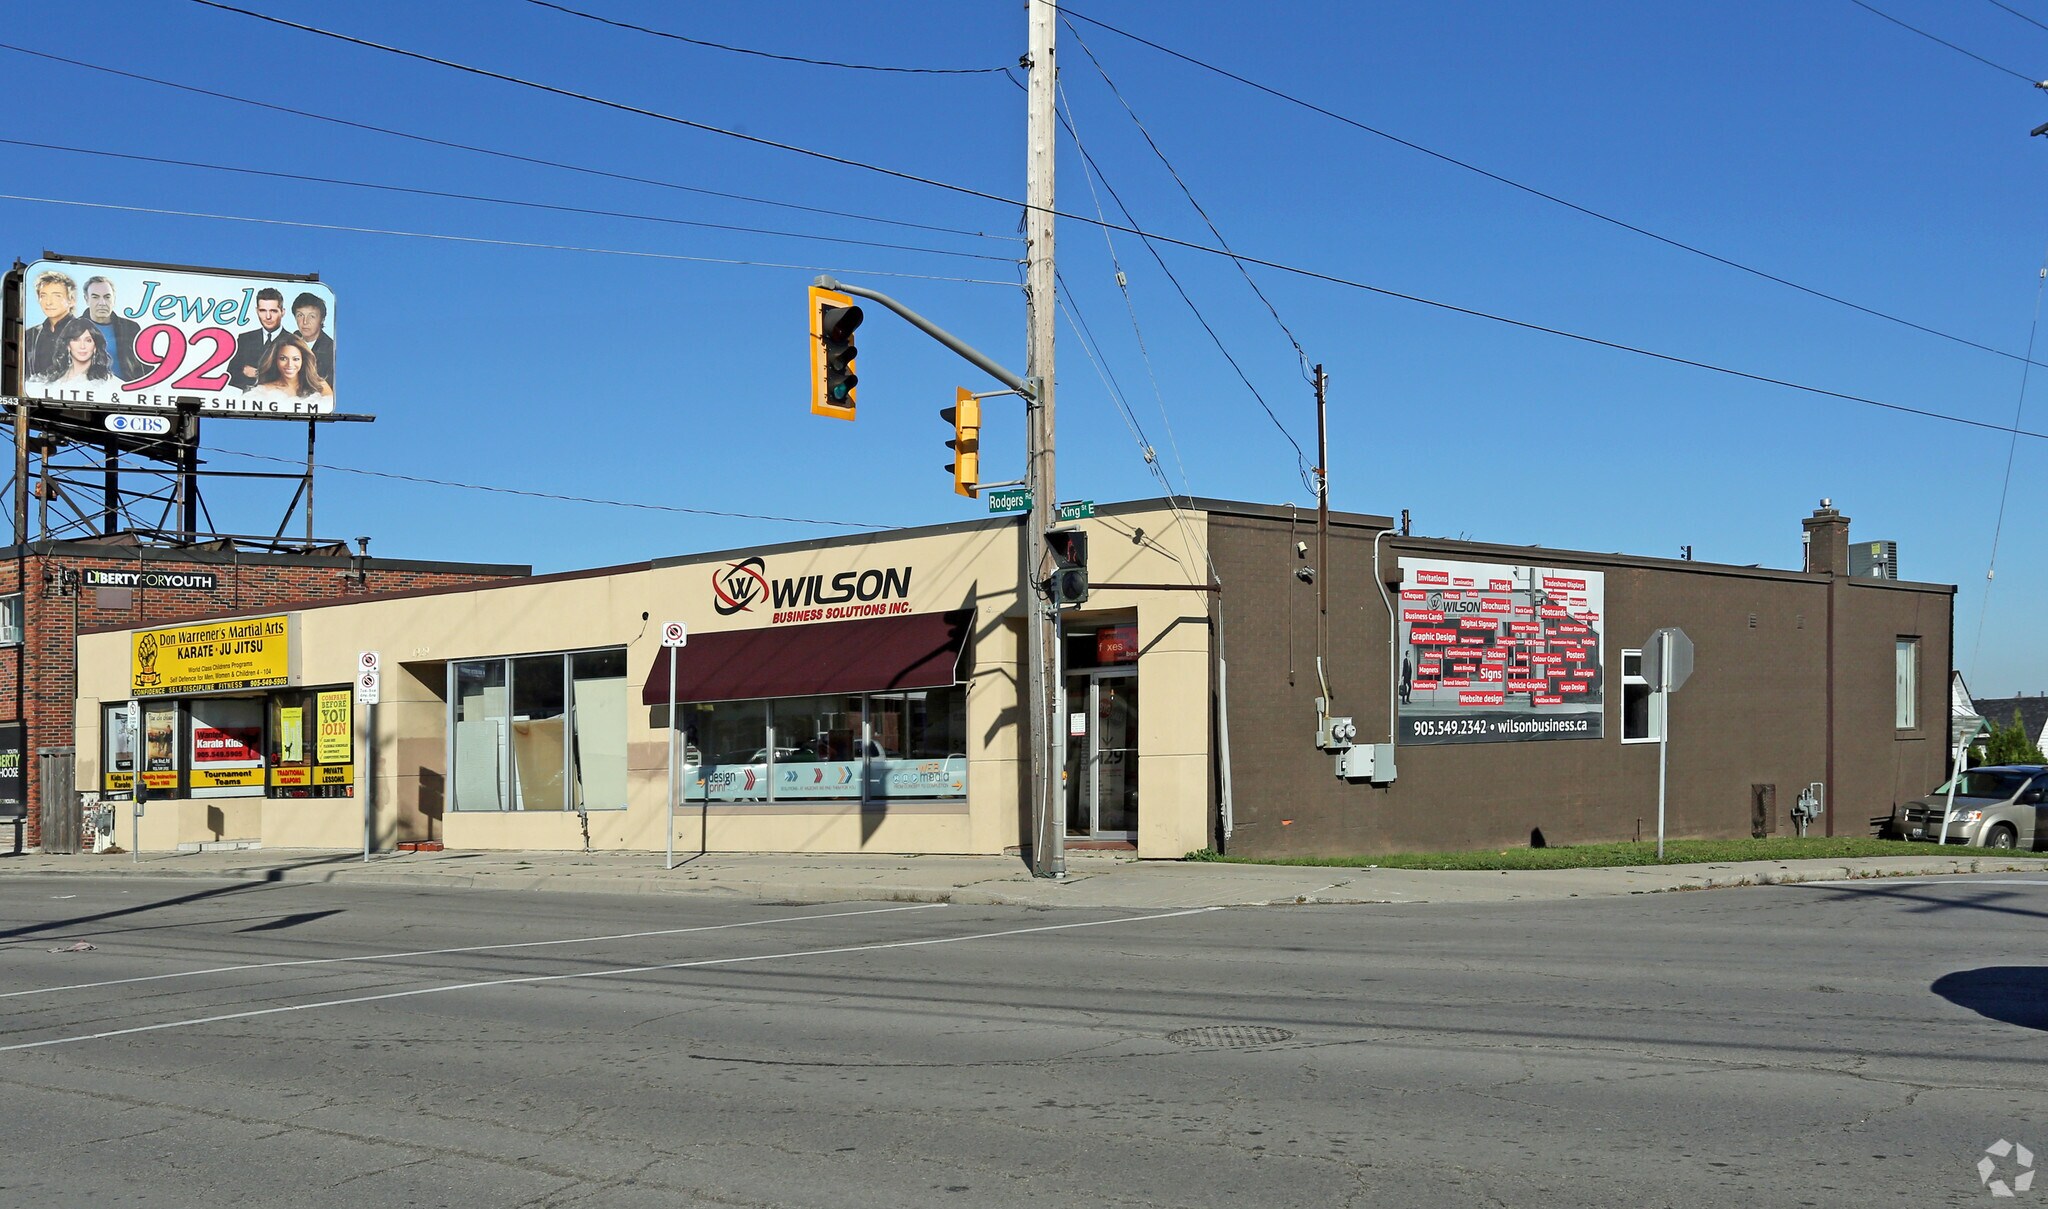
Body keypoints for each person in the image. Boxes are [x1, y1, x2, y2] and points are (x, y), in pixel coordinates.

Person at [81, 276, 144, 381]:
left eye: (107, 297)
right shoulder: (73, 328)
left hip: (125, 393)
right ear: (86, 299)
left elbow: (142, 366)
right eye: (95, 297)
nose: (102, 303)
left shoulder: (131, 328)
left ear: (114, 299)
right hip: (85, 392)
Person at [228, 287, 289, 390]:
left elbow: (296, 378)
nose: (268, 316)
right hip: (246, 401)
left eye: (273, 311)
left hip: (282, 401)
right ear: (257, 311)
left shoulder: (292, 341)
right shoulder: (245, 339)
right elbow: (231, 373)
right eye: (263, 311)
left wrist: (257, 373)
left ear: (282, 312)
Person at [22, 269, 77, 381]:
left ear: (71, 300)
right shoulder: (30, 335)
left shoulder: (85, 332)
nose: (49, 302)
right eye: (43, 296)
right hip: (35, 396)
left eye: (57, 296)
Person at [34, 316, 115, 387]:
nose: (82, 346)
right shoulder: (49, 382)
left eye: (88, 340)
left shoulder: (108, 384)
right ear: (68, 345)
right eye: (76, 340)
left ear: (95, 347)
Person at [250, 333, 332, 400]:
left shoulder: (320, 385)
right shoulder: (263, 390)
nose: (289, 364)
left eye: (296, 359)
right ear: (275, 360)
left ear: (303, 360)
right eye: (283, 358)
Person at [290, 291, 335, 388]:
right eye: (300, 315)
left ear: (322, 319)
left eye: (312, 316)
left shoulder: (331, 350)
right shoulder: (290, 341)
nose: (305, 322)